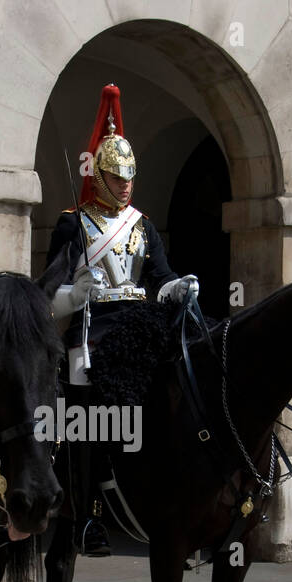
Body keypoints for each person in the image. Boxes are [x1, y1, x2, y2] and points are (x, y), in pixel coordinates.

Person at [46, 83, 199, 556]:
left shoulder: (143, 224)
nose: (126, 184)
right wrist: (74, 294)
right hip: (92, 329)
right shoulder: (74, 223)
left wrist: (179, 286)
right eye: (117, 176)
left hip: (139, 323)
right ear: (99, 175)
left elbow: (161, 275)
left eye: (130, 175)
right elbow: (47, 292)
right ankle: (86, 510)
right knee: (88, 414)